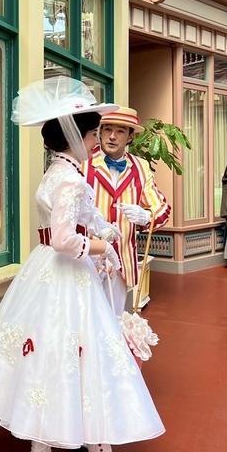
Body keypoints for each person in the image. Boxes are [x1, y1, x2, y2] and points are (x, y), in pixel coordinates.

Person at [0, 78, 164, 452]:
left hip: (45, 277)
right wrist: (103, 246)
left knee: (51, 361)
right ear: (78, 136)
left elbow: (83, 217)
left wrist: (109, 227)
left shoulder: (58, 172)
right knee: (91, 365)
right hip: (68, 278)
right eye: (93, 134)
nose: (96, 141)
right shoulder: (72, 180)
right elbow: (64, 239)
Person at [83, 107, 170, 312]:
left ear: (130, 137)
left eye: (120, 131)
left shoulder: (140, 167)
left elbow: (162, 209)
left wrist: (146, 216)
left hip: (122, 262)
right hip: (87, 260)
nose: (112, 136)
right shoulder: (84, 162)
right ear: (100, 132)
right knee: (87, 321)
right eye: (107, 129)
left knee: (115, 319)